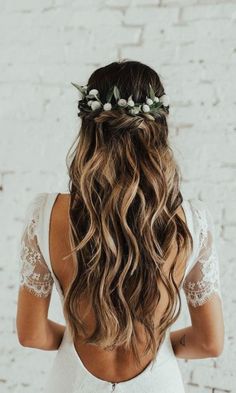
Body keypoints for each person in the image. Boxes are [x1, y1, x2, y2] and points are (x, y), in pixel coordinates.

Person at [16, 59, 224, 393]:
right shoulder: (192, 221)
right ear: (158, 129)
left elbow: (31, 334)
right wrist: (159, 346)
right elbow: (210, 343)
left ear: (89, 129)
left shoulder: (46, 214)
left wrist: (80, 340)